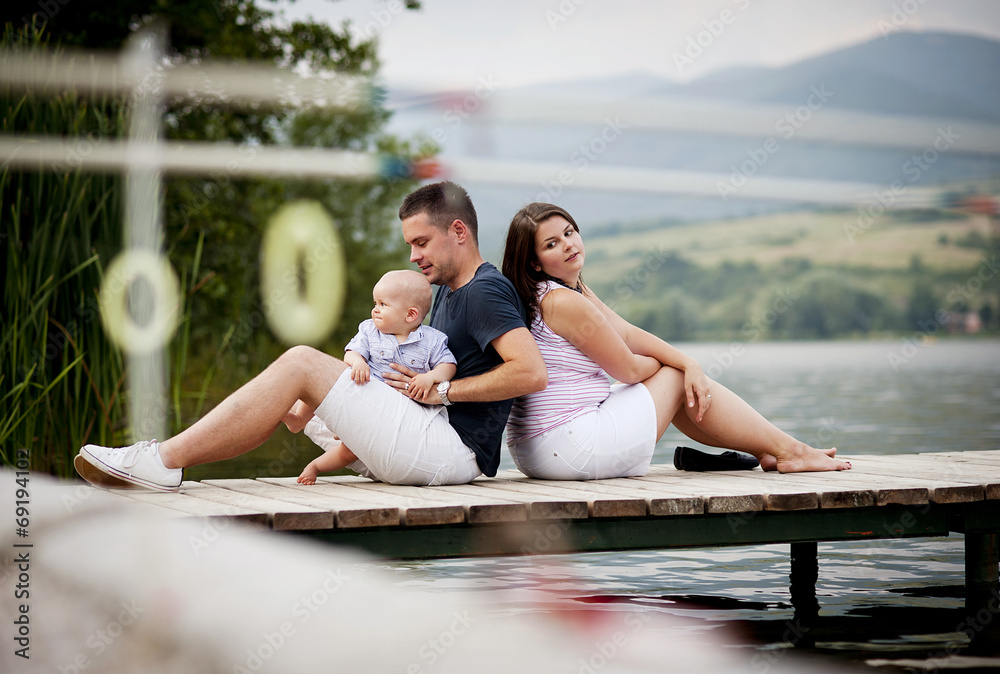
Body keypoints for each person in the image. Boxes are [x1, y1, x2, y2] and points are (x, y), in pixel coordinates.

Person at [74, 181, 546, 491]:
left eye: (421, 243)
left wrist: (443, 389)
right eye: (409, 245)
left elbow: (530, 373)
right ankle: (166, 462)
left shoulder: (485, 290)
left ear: (458, 231)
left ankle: (163, 460)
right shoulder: (442, 291)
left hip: (450, 452)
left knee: (301, 362)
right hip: (418, 437)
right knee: (306, 382)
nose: (413, 256)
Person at [500, 203, 851, 479]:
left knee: (677, 377)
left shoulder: (558, 293)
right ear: (533, 262)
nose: (568, 245)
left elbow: (625, 332)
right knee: (672, 379)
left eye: (569, 232)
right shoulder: (563, 302)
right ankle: (790, 451)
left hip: (538, 451)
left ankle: (775, 450)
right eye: (552, 243)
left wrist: (686, 361)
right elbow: (629, 369)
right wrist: (676, 366)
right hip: (570, 449)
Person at [289, 269, 457, 484]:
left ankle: (315, 466)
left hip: (399, 413)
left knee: (349, 451)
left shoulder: (432, 340)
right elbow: (351, 352)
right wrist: (358, 362)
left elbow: (448, 365)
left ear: (410, 315)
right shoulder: (369, 331)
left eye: (383, 305)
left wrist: (431, 377)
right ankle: (299, 418)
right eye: (375, 303)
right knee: (327, 378)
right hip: (365, 395)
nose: (375, 310)